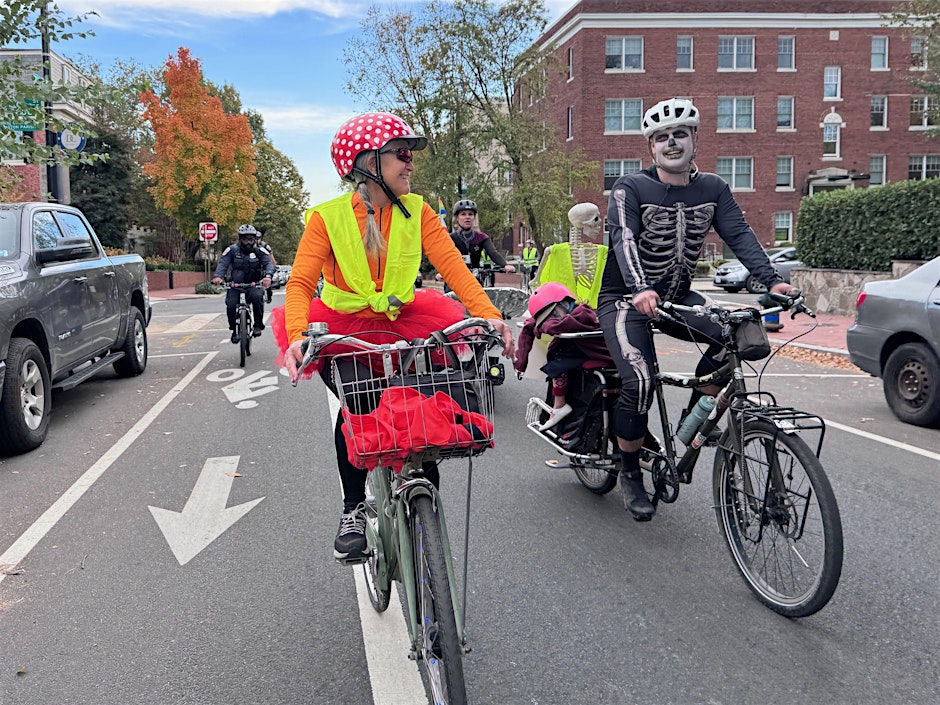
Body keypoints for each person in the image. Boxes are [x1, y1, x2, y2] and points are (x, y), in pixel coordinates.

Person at [273, 112, 515, 563]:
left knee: (421, 415)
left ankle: (426, 517)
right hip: (345, 332)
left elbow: (455, 270)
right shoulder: (326, 219)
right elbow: (301, 284)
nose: (410, 164)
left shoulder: (419, 211)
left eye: (410, 156)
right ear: (368, 163)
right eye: (401, 155)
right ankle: (352, 509)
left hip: (408, 322)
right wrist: (297, 335)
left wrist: (489, 315)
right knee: (359, 409)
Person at [599, 97, 797, 522]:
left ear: (694, 140)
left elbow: (739, 235)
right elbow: (625, 240)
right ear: (651, 147)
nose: (671, 143)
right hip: (624, 298)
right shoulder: (629, 188)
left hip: (677, 295)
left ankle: (693, 424)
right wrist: (639, 288)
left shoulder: (713, 188)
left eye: (680, 135)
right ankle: (630, 470)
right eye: (662, 138)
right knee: (639, 381)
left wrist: (772, 279)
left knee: (741, 336)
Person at [514, 282, 612, 432]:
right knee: (558, 352)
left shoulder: (583, 314)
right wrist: (520, 363)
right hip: (587, 354)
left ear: (565, 304)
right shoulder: (568, 314)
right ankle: (559, 403)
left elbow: (553, 326)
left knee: (558, 354)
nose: (551, 319)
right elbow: (533, 326)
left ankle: (559, 405)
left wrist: (541, 324)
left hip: (602, 355)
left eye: (553, 314)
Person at [531, 203, 609, 307]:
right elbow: (535, 282)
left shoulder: (602, 251)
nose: (599, 222)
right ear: (582, 223)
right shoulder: (555, 250)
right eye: (595, 219)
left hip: (594, 307)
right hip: (565, 305)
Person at [212, 224, 274, 343]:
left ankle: (257, 325)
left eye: (251, 239)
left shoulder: (260, 251)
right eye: (245, 239)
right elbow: (223, 264)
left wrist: (267, 276)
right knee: (230, 304)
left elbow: (268, 264)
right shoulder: (232, 250)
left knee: (257, 297)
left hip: (253, 284)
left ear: (254, 239)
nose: (248, 242)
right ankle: (234, 329)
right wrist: (218, 277)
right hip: (235, 285)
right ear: (240, 239)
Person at [438, 199, 514, 288]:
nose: (467, 217)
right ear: (457, 217)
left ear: (474, 217)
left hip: (474, 279)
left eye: (470, 214)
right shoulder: (450, 238)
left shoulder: (481, 237)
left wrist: (505, 265)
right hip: (454, 280)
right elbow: (443, 257)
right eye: (463, 214)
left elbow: (493, 253)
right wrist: (441, 272)